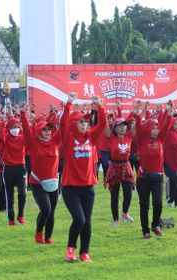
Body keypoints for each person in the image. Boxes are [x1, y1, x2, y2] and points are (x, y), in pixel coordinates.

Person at [60, 93, 106, 263]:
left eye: (86, 121)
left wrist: (99, 106)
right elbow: (63, 122)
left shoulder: (91, 137)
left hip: (88, 187)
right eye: (81, 121)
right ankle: (71, 248)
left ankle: (84, 253)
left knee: (87, 221)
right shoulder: (68, 138)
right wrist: (69, 104)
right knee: (79, 218)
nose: (85, 124)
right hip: (70, 187)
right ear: (74, 123)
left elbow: (102, 125)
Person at [20, 103, 61, 244]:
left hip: (54, 182)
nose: (48, 131)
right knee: (46, 208)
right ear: (38, 131)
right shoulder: (33, 143)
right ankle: (39, 232)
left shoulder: (55, 141)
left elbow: (64, 127)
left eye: (49, 129)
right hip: (37, 182)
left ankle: (48, 237)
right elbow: (26, 130)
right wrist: (22, 114)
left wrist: (67, 106)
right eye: (44, 130)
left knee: (52, 211)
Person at [134, 100, 172, 239]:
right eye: (153, 128)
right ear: (148, 129)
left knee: (158, 202)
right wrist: (137, 112)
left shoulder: (161, 139)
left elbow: (167, 126)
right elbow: (138, 126)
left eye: (157, 128)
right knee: (144, 205)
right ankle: (145, 230)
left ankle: (155, 224)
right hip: (143, 179)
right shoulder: (142, 139)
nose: (156, 130)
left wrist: (169, 112)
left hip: (158, 178)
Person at [104, 115, 136, 226]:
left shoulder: (129, 136)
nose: (123, 128)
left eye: (124, 126)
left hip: (126, 166)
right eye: (120, 126)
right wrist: (100, 107)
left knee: (128, 194)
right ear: (115, 128)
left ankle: (125, 213)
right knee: (115, 195)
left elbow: (138, 125)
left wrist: (140, 111)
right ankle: (115, 219)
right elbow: (104, 124)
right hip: (114, 166)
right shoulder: (111, 137)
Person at [2, 115, 27, 226]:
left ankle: (20, 215)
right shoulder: (6, 138)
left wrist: (23, 116)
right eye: (13, 126)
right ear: (9, 128)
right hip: (8, 168)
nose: (16, 129)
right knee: (10, 194)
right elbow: (1, 132)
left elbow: (28, 130)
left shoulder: (22, 138)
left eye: (17, 126)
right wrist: (4, 121)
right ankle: (11, 218)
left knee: (22, 193)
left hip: (20, 168)